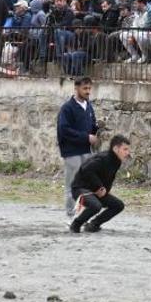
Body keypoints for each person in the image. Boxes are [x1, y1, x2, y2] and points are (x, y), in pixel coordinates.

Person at [68, 135, 130, 233]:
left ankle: (93, 224)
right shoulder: (103, 158)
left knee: (118, 205)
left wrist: (104, 191)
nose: (127, 153)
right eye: (125, 149)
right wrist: (100, 187)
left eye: (128, 150)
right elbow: (86, 169)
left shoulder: (117, 161)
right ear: (115, 148)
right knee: (96, 206)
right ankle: (76, 224)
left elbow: (109, 179)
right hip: (79, 189)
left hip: (95, 191)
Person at [57, 77, 100, 217]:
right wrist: (86, 137)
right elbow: (64, 130)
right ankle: (70, 215)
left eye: (89, 88)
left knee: (86, 185)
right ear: (76, 88)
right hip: (72, 152)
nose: (88, 92)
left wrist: (97, 127)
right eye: (85, 89)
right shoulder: (67, 108)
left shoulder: (89, 106)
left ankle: (83, 214)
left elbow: (91, 127)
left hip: (87, 151)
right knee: (72, 186)